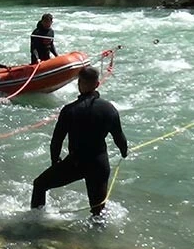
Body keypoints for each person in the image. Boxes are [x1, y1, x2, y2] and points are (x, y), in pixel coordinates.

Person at [31, 66, 128, 216]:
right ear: (97, 84)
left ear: (79, 83)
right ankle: (97, 237)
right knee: (98, 210)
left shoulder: (69, 110)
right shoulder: (109, 109)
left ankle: (36, 221)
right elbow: (119, 138)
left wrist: (55, 160)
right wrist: (124, 152)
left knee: (40, 185)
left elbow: (56, 140)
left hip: (76, 163)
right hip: (99, 164)